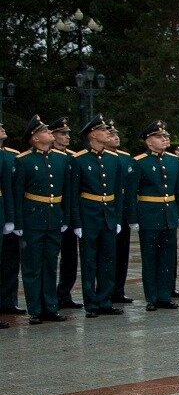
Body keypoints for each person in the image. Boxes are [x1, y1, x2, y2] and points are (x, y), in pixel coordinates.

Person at [13, 116, 71, 324]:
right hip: (32, 219)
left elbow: (66, 192)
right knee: (32, 267)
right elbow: (18, 194)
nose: (50, 134)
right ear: (35, 138)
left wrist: (65, 217)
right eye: (45, 131)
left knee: (50, 264)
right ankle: (35, 310)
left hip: (53, 218)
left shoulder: (60, 159)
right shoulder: (23, 161)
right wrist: (18, 223)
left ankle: (50, 307)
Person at [69, 115, 125, 318]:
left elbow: (117, 193)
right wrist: (77, 221)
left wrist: (117, 218)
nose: (108, 133)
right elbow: (73, 194)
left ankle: (105, 300)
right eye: (103, 130)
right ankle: (91, 303)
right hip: (88, 215)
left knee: (108, 259)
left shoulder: (114, 160)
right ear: (92, 134)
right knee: (89, 261)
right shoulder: (79, 160)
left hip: (108, 215)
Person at [127, 120, 179, 311]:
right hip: (149, 215)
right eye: (159, 137)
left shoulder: (174, 161)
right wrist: (133, 219)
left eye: (165, 136)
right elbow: (131, 193)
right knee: (150, 258)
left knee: (168, 257)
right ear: (148, 141)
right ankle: (152, 297)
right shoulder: (139, 162)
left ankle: (165, 295)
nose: (164, 139)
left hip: (168, 214)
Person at [50, 117, 82, 310]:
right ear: (52, 136)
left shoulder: (73, 157)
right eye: (62, 134)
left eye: (68, 133)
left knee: (70, 257)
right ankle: (50, 295)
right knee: (52, 256)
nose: (67, 137)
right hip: (52, 212)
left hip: (70, 213)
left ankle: (64, 293)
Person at [104, 119, 136, 303]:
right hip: (107, 208)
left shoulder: (125, 158)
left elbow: (131, 189)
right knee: (107, 253)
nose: (115, 138)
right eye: (111, 134)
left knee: (122, 252)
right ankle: (106, 290)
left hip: (122, 209)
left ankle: (119, 289)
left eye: (116, 134)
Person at [0, 121, 24, 318]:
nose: (2, 127)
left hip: (8, 214)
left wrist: (13, 218)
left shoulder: (13, 155)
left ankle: (9, 301)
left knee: (10, 260)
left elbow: (15, 190)